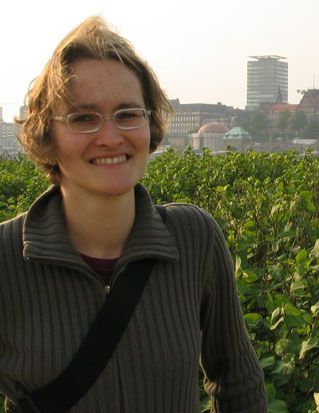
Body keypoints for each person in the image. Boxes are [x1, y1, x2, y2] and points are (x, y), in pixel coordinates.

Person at [0, 16, 267, 412]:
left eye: (127, 114)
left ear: (150, 126)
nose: (110, 136)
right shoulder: (5, 258)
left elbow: (237, 382)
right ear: (46, 136)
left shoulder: (195, 238)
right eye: (83, 118)